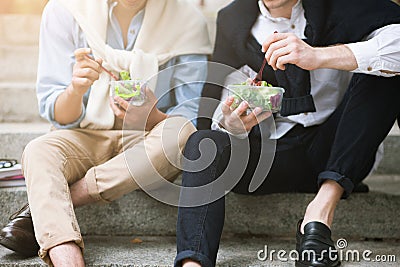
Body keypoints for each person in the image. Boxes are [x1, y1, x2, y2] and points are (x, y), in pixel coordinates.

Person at [175, 0, 400, 266]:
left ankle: (318, 215)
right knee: (204, 141)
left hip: (338, 150)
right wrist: (233, 125)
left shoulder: (343, 5)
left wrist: (317, 56)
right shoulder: (233, 18)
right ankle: (193, 261)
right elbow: (217, 101)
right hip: (271, 156)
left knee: (387, 71)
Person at [0, 0, 211, 265]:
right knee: (38, 150)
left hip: (147, 143)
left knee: (182, 130)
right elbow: (56, 112)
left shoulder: (188, 20)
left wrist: (151, 116)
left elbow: (189, 114)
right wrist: (75, 90)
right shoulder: (66, 10)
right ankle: (67, 259)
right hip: (84, 135)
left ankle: (69, 196)